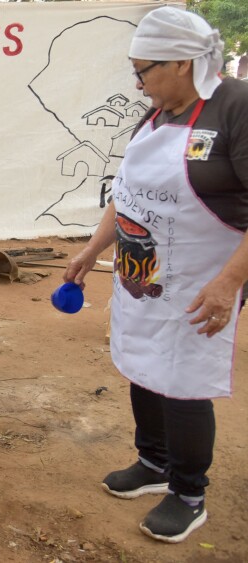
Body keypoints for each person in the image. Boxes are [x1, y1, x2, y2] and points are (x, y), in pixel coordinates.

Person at [64, 6, 248, 544]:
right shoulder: (159, 114)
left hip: (204, 275)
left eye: (144, 70)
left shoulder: (234, 108)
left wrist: (230, 283)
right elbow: (128, 194)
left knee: (183, 377)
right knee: (142, 357)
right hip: (144, 271)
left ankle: (189, 494)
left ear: (182, 64)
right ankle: (155, 460)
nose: (138, 81)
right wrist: (93, 247)